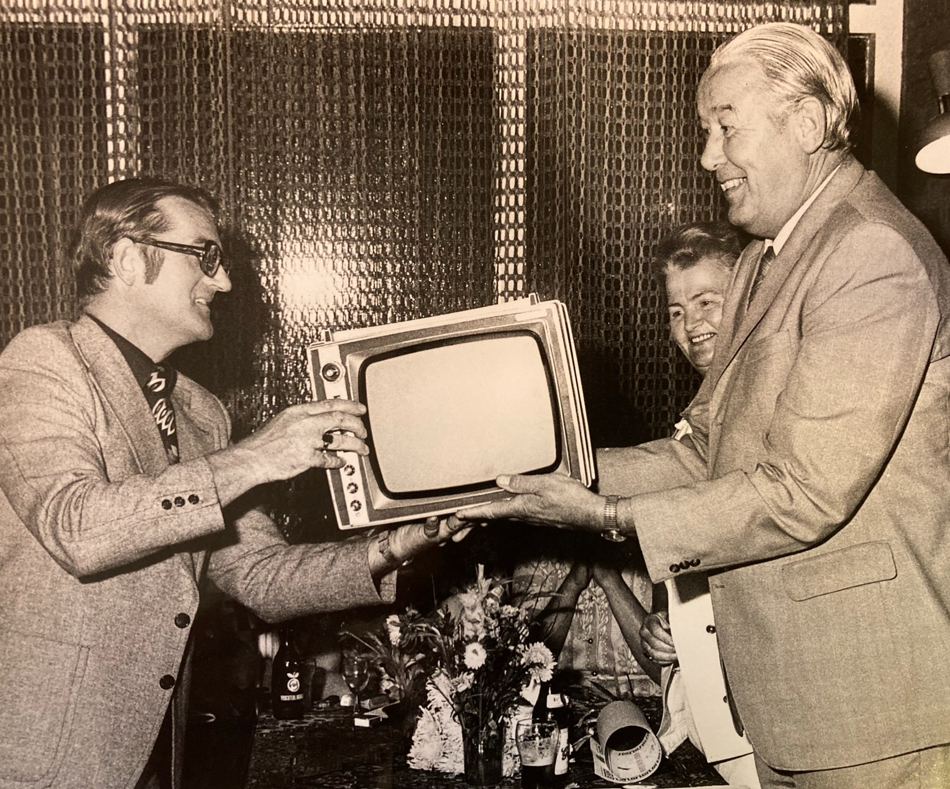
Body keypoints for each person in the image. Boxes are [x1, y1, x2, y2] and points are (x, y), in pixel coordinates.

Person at [460, 22, 950, 789]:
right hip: (795, 702)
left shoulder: (870, 251)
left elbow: (804, 491)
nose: (707, 156)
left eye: (726, 127)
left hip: (873, 707)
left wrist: (604, 516)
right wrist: (551, 473)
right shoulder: (762, 261)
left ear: (808, 123)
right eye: (705, 132)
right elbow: (702, 450)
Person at [0, 178, 468, 789]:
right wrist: (258, 457)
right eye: (205, 255)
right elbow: (76, 529)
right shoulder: (43, 360)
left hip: (158, 751)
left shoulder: (200, 412)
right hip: (48, 752)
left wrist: (396, 545)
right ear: (126, 258)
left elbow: (259, 576)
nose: (222, 282)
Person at [638, 221, 759, 788]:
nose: (691, 326)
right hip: (719, 728)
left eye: (707, 302)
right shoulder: (701, 417)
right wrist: (670, 628)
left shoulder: (768, 405)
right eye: (676, 311)